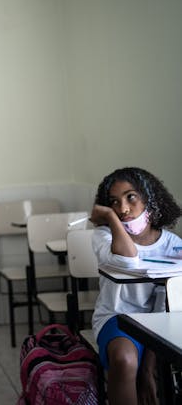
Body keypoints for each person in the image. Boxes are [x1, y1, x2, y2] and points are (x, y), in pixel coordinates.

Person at [91, 167, 182, 405]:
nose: (123, 209)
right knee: (125, 359)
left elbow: (166, 305)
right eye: (114, 202)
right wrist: (111, 220)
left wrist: (148, 368)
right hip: (117, 317)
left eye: (131, 197)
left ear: (149, 198)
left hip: (161, 320)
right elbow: (128, 260)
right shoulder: (105, 237)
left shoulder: (173, 245)